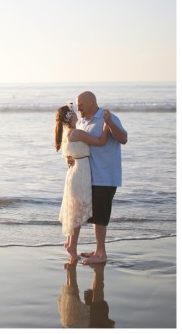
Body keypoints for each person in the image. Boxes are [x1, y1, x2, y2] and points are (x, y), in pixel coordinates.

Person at [74, 91, 128, 265]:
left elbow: (124, 139)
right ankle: (97, 250)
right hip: (90, 176)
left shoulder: (106, 117)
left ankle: (102, 254)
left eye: (80, 104)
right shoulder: (83, 122)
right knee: (94, 215)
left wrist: (110, 122)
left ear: (91, 102)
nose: (78, 107)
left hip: (106, 175)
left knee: (100, 216)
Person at [55, 104, 109, 262]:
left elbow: (68, 152)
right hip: (81, 173)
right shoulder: (77, 132)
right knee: (77, 211)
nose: (78, 113)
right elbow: (100, 142)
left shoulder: (66, 133)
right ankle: (72, 246)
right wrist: (107, 125)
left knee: (74, 209)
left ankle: (70, 242)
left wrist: (68, 158)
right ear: (70, 117)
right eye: (74, 112)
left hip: (74, 173)